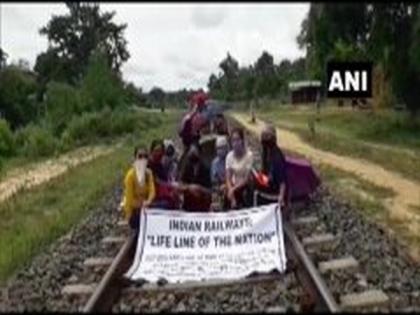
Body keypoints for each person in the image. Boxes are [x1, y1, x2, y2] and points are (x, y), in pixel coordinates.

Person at [121, 145, 156, 232]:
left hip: (146, 207)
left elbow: (152, 190)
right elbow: (129, 199)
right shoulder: (130, 176)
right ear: (135, 158)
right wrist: (141, 204)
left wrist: (149, 201)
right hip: (134, 211)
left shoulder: (148, 173)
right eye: (140, 156)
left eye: (145, 156)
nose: (142, 159)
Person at [257, 124, 288, 211]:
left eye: (266, 136)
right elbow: (263, 171)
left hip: (273, 187)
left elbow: (282, 180)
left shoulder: (277, 156)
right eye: (263, 136)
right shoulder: (266, 151)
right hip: (266, 181)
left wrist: (281, 196)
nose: (264, 139)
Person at [225, 127, 254, 209]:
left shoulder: (249, 155)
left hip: (245, 186)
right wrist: (231, 190)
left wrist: (233, 190)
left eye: (238, 140)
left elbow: (246, 179)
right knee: (225, 192)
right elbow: (228, 177)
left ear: (242, 141)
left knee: (245, 195)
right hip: (234, 184)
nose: (236, 143)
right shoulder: (229, 156)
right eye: (233, 140)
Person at [178, 144, 212, 211]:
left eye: (194, 152)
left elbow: (210, 190)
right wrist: (189, 187)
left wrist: (199, 188)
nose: (192, 154)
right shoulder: (186, 167)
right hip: (188, 203)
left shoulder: (205, 168)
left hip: (202, 203)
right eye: (191, 152)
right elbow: (180, 184)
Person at [148, 139, 180, 209]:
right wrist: (170, 187)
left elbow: (165, 180)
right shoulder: (148, 166)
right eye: (156, 150)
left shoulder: (160, 166)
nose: (159, 153)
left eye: (161, 151)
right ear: (151, 151)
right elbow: (156, 182)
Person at [211, 136, 229, 209]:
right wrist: (219, 187)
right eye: (218, 148)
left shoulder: (230, 159)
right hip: (219, 188)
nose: (220, 150)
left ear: (226, 148)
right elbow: (214, 180)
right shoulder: (214, 163)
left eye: (222, 148)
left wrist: (226, 185)